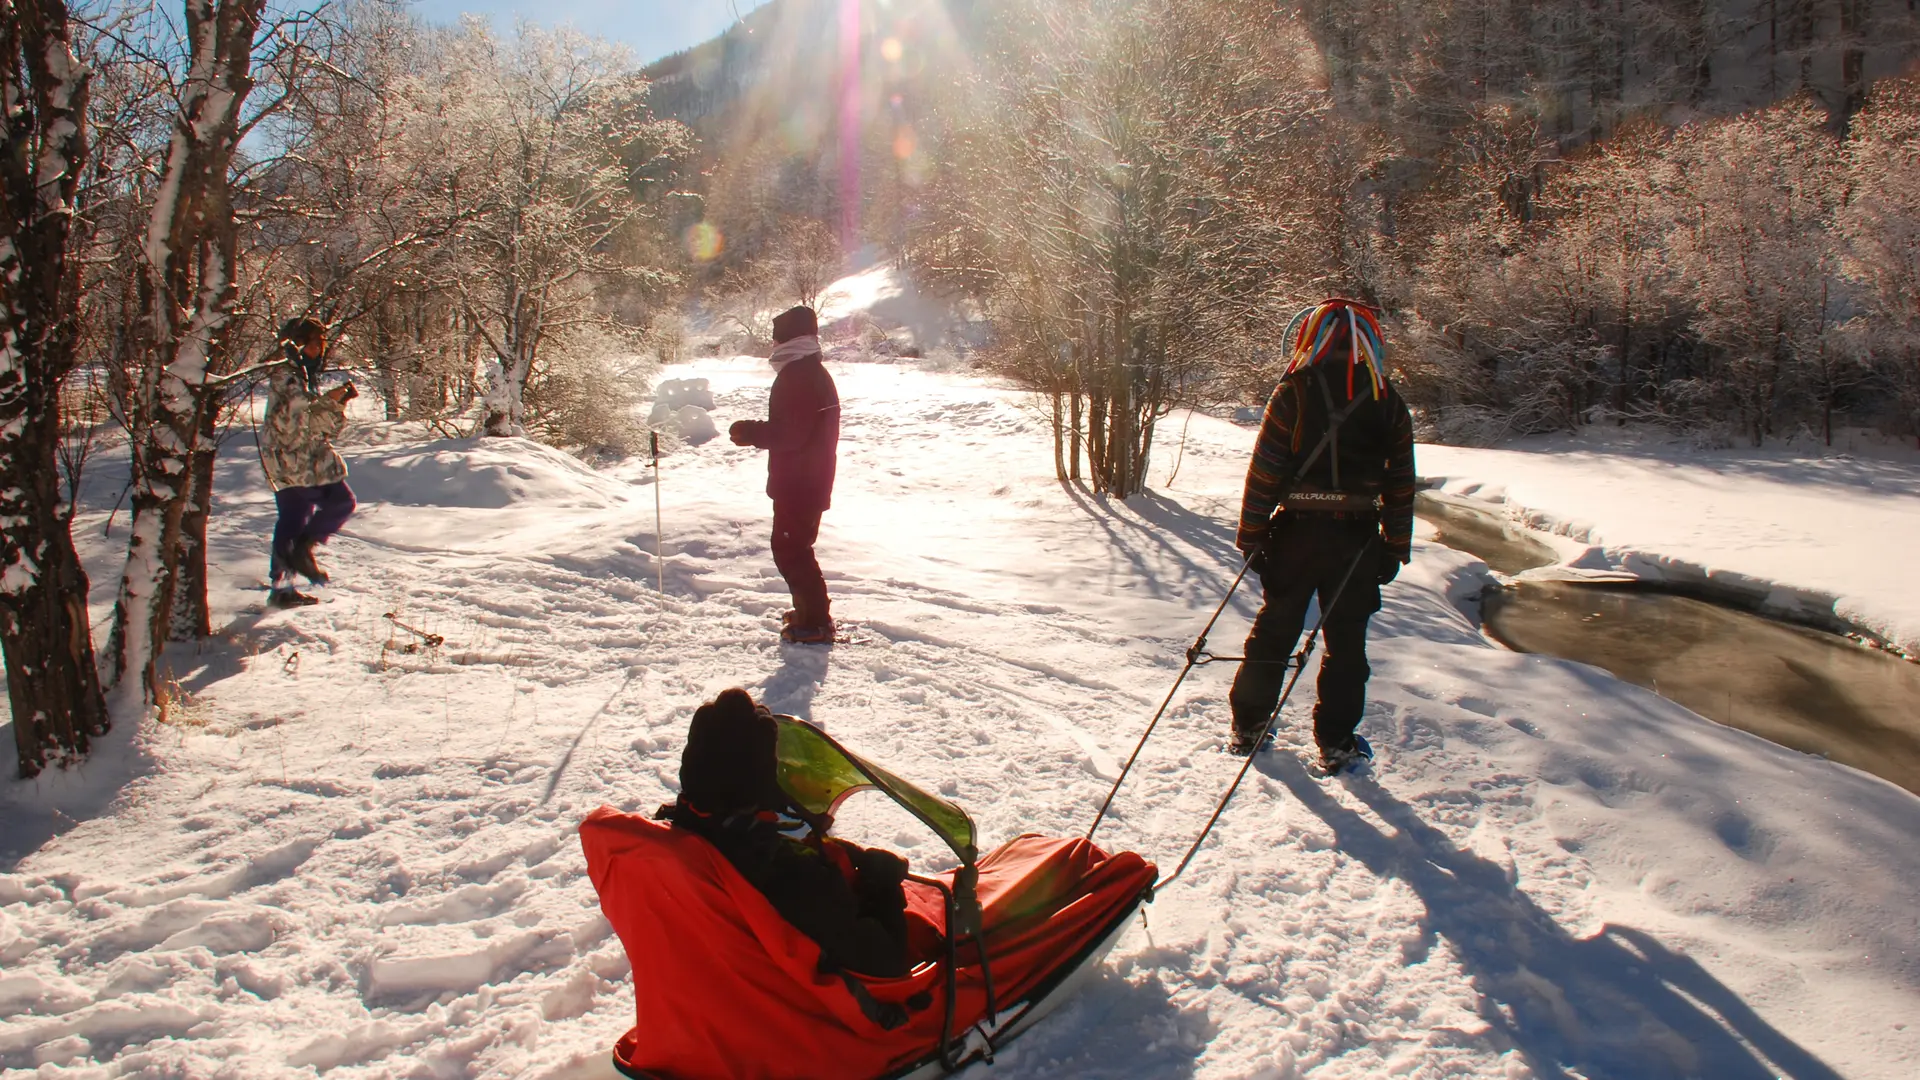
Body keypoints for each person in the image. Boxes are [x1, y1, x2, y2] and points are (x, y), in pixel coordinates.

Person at [1227, 299, 1416, 772]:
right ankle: (1335, 742)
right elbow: (1400, 483)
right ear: (1365, 341)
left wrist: (1251, 534)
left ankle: (1249, 727)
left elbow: (1265, 470)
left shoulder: (1293, 391)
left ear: (1312, 336)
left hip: (1295, 535)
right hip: (1356, 541)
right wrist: (1394, 546)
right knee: (1347, 644)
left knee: (1275, 630)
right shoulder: (1385, 398)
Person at [660, 687, 911, 977]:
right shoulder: (789, 877)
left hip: (703, 985)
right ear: (763, 784)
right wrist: (883, 887)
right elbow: (888, 963)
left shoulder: (675, 837)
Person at [729, 306, 842, 644]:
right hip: (809, 478)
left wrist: (751, 432)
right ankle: (810, 613)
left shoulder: (799, 376)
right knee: (796, 548)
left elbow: (791, 434)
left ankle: (815, 623)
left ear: (788, 339)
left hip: (800, 481)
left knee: (791, 550)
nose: (773, 345)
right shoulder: (810, 371)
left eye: (776, 338)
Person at [260, 318, 357, 608]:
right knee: (341, 501)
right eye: (314, 343)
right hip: (296, 461)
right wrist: (332, 403)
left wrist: (334, 402)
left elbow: (311, 423)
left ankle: (282, 589)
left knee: (292, 517)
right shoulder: (289, 378)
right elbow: (302, 427)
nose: (320, 350)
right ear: (296, 345)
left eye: (322, 344)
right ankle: (303, 551)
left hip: (284, 462)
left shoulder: (296, 375)